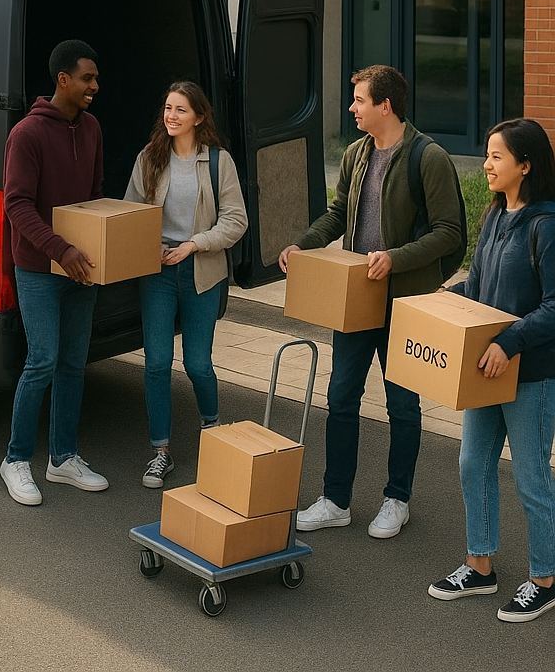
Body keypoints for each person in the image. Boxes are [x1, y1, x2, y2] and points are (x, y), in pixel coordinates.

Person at [278, 65, 463, 539]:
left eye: (359, 100)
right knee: (341, 397)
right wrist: (305, 244)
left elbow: (450, 233)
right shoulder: (358, 152)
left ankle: (396, 499)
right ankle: (336, 499)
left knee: (402, 406)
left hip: (404, 302)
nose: (351, 107)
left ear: (386, 105)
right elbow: (339, 212)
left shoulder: (430, 157)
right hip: (355, 299)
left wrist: (395, 259)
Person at [428, 118, 555, 623]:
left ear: (525, 165)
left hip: (532, 375)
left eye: (496, 157)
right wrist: (441, 303)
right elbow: (478, 287)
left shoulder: (547, 226)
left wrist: (508, 341)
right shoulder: (496, 215)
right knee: (472, 465)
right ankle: (479, 566)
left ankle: (544, 578)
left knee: (530, 480)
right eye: (486, 154)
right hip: (486, 369)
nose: (486, 164)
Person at [0, 39, 110, 506]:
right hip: (40, 269)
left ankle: (63, 458)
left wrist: (93, 248)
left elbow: (95, 193)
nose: (95, 87)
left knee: (72, 364)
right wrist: (60, 250)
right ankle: (16, 460)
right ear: (62, 79)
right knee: (41, 361)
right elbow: (16, 205)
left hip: (79, 267)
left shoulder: (92, 129)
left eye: (96, 79)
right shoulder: (27, 134)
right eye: (87, 78)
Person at [125, 81, 248, 489]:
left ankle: (213, 430)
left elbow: (236, 220)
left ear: (199, 116)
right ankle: (160, 451)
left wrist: (194, 244)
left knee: (198, 363)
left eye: (180, 109)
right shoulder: (149, 158)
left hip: (202, 269)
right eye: (167, 108)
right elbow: (129, 213)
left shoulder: (218, 162)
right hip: (157, 272)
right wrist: (150, 244)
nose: (171, 116)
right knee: (157, 363)